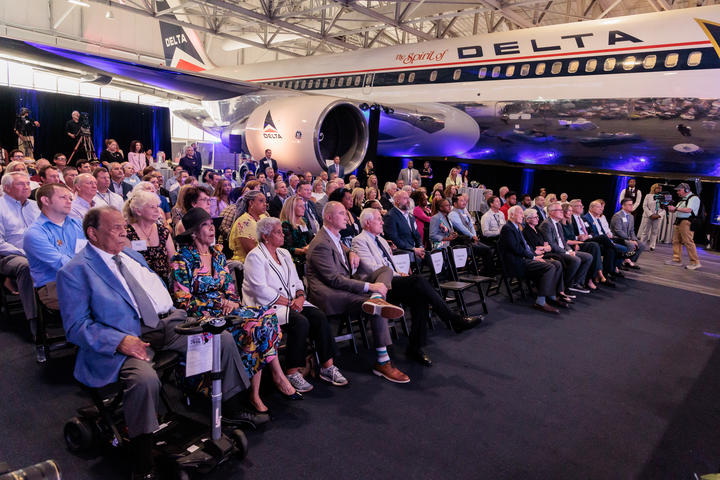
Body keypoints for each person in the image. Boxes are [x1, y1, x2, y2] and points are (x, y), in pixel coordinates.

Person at [58, 207, 263, 479]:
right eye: (116, 227)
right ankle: (143, 465)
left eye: (123, 226)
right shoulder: (75, 271)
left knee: (221, 339)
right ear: (93, 234)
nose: (124, 231)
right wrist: (120, 341)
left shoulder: (130, 255)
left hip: (167, 323)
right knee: (144, 379)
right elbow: (76, 327)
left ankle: (232, 409)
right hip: (125, 338)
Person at [173, 207, 299, 415]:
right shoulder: (181, 259)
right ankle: (262, 387)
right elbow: (183, 300)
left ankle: (261, 386)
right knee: (257, 325)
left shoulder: (217, 255)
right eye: (205, 225)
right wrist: (218, 304)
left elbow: (231, 290)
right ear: (193, 233)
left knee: (266, 316)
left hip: (229, 311)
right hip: (203, 317)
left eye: (212, 225)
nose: (212, 229)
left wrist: (231, 301)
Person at [353, 208, 481, 366]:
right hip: (377, 287)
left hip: (393, 281)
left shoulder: (382, 240)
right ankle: (453, 319)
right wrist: (398, 275)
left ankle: (415, 347)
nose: (382, 222)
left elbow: (389, 264)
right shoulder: (359, 240)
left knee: (420, 297)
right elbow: (373, 269)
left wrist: (399, 273)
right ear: (367, 223)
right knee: (419, 281)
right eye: (378, 219)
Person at [306, 201, 409, 383]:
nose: (347, 217)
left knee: (385, 270)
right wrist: (369, 287)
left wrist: (352, 252)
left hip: (344, 286)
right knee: (376, 307)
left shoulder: (333, 236)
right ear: (329, 217)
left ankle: (377, 298)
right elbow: (334, 280)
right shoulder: (320, 243)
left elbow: (342, 249)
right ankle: (382, 362)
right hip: (330, 294)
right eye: (341, 213)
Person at [243, 217, 347, 392]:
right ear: (265, 236)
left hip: (291, 302)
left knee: (318, 316)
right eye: (278, 232)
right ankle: (292, 371)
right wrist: (290, 302)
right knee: (300, 322)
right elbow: (260, 290)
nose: (283, 234)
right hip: (265, 306)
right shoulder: (255, 256)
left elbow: (297, 281)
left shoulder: (284, 253)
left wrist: (299, 297)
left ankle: (327, 367)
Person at [24, 183, 84, 310]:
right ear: (46, 200)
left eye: (70, 198)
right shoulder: (34, 233)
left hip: (83, 277)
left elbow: (97, 249)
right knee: (100, 298)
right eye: (63, 197)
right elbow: (62, 264)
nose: (69, 201)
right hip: (54, 284)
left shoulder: (79, 224)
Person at [499, 205, 563, 314]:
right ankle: (541, 301)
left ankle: (551, 295)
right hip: (516, 263)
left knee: (557, 264)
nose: (522, 216)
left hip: (524, 258)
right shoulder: (507, 228)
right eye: (520, 213)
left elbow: (525, 247)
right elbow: (516, 248)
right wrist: (533, 257)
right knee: (550, 267)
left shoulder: (516, 227)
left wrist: (534, 255)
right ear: (512, 215)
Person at [0, 171, 40, 328]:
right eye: (20, 184)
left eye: (28, 183)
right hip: (9, 255)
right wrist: (24, 253)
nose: (26, 187)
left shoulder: (36, 206)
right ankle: (35, 324)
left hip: (38, 251)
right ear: (6, 188)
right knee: (26, 266)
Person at [521, 208, 575, 305]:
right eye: (535, 217)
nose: (538, 219)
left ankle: (558, 291)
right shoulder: (526, 232)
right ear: (528, 220)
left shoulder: (538, 230)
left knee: (559, 261)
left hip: (545, 254)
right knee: (557, 262)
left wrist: (543, 247)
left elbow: (548, 246)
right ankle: (554, 293)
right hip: (537, 256)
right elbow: (534, 249)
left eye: (537, 216)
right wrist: (544, 247)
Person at [539, 201, 594, 294]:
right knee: (576, 260)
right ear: (551, 212)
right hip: (555, 252)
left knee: (588, 257)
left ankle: (576, 283)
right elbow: (552, 244)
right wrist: (567, 252)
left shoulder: (558, 223)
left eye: (561, 210)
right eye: (559, 210)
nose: (562, 212)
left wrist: (569, 249)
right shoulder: (546, 224)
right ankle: (565, 285)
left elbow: (563, 241)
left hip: (563, 250)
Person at [124, 190, 175, 281]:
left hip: (164, 283)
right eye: (152, 207)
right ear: (138, 211)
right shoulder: (127, 233)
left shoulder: (163, 231)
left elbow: (173, 261)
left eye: (157, 206)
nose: (157, 211)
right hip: (140, 283)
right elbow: (127, 265)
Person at [567, 199, 616, 286]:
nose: (582, 207)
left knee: (609, 250)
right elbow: (569, 235)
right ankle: (594, 277)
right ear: (572, 207)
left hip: (587, 239)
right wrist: (578, 238)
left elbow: (591, 232)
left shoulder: (582, 219)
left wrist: (588, 236)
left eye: (582, 206)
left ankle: (604, 274)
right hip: (579, 241)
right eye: (579, 206)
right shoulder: (570, 219)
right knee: (599, 241)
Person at [560, 203, 603, 289]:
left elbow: (573, 237)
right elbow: (564, 241)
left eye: (571, 211)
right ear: (563, 211)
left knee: (596, 246)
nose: (571, 213)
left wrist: (577, 243)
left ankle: (590, 278)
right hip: (567, 247)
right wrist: (578, 243)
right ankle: (594, 276)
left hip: (574, 244)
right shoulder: (560, 224)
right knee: (594, 245)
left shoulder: (569, 223)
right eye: (569, 211)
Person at [448, 194, 494, 274]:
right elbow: (462, 228)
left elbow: (471, 225)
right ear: (455, 203)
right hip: (461, 241)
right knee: (486, 250)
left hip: (470, 239)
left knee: (488, 248)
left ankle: (484, 270)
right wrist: (472, 236)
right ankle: (487, 272)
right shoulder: (453, 214)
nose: (464, 202)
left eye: (464, 200)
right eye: (461, 201)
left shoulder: (464, 212)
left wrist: (474, 235)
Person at [665, 182, 701, 270]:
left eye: (679, 190)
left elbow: (689, 210)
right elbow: (678, 210)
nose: (678, 192)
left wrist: (676, 208)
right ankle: (676, 260)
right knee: (676, 241)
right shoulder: (683, 199)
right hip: (679, 221)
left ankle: (695, 262)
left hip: (687, 222)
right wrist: (671, 209)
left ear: (686, 190)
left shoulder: (693, 198)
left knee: (688, 242)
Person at [384, 190, 425, 264]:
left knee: (432, 257)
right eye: (405, 198)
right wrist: (413, 249)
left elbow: (417, 234)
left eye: (408, 198)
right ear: (397, 201)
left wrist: (421, 247)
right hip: (403, 251)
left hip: (415, 250)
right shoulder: (390, 216)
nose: (408, 201)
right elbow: (394, 239)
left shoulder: (411, 216)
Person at [229, 190, 267, 263]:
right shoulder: (244, 222)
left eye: (265, 201)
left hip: (264, 259)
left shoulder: (263, 217)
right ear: (251, 203)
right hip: (246, 263)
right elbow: (252, 252)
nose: (265, 204)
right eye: (261, 201)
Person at [280, 195, 313, 276]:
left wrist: (310, 246)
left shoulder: (304, 221)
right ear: (291, 208)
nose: (304, 208)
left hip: (308, 258)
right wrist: (302, 251)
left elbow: (311, 238)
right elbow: (286, 249)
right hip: (294, 262)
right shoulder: (285, 225)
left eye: (303, 205)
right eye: (300, 206)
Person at [610, 198, 646, 268]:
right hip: (618, 238)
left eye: (632, 204)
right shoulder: (617, 216)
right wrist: (630, 239)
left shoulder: (631, 216)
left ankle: (629, 261)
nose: (632, 206)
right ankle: (623, 261)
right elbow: (618, 231)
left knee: (641, 245)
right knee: (631, 244)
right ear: (623, 206)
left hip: (627, 238)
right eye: (629, 205)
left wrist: (634, 239)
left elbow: (632, 230)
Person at [638, 183, 665, 251]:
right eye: (658, 188)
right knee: (645, 232)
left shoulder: (663, 197)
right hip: (648, 216)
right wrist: (650, 214)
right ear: (654, 188)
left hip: (657, 217)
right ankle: (642, 245)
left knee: (655, 232)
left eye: (661, 188)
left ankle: (652, 246)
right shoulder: (648, 196)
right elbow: (644, 206)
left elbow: (665, 208)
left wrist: (659, 215)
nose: (660, 190)